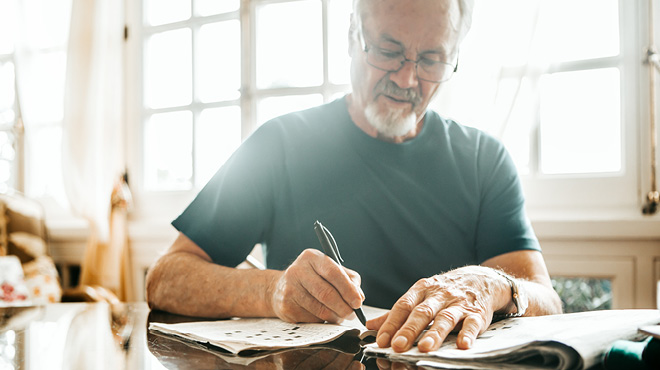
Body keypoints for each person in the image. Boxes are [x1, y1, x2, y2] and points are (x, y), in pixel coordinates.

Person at [146, 0, 562, 354]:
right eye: (387, 50)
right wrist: (271, 292)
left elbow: (547, 300)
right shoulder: (280, 144)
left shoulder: (483, 159)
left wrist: (494, 284)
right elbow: (165, 279)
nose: (407, 79)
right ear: (351, 38)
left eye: (432, 59)